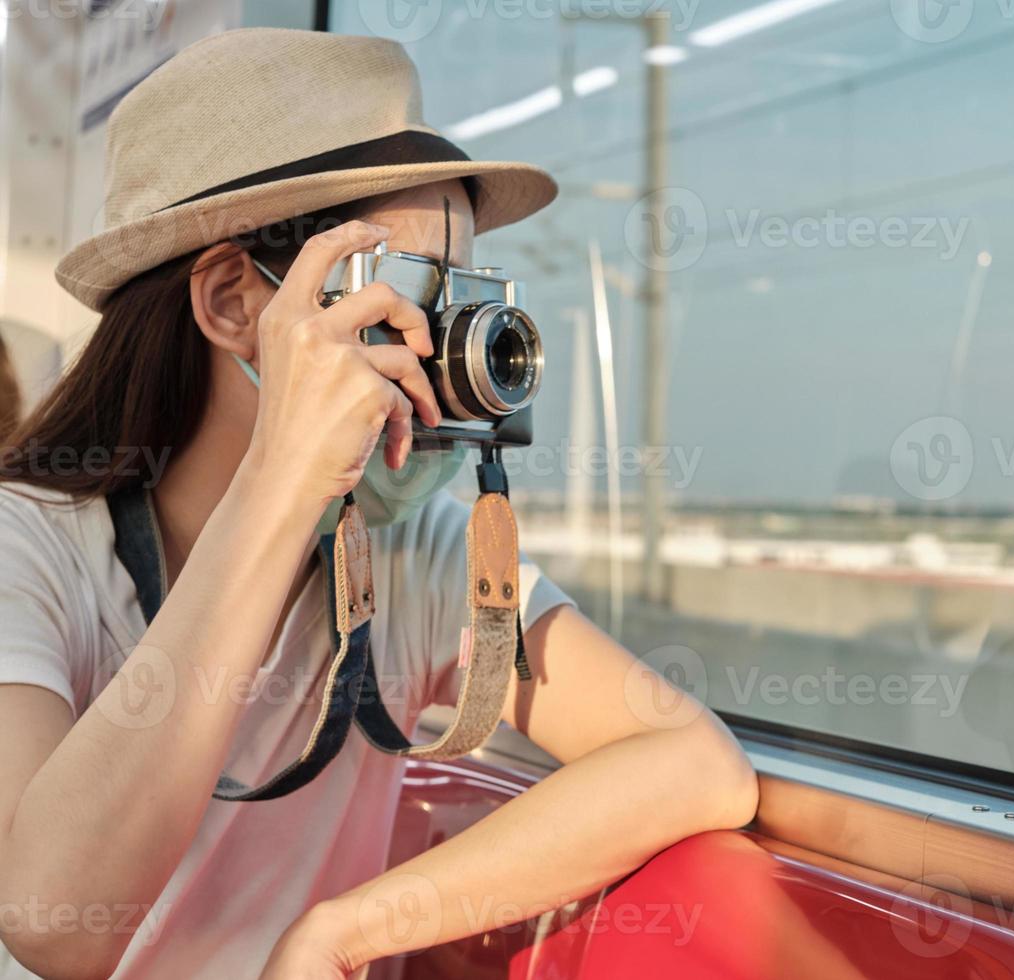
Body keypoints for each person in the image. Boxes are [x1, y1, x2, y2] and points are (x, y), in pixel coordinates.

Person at [0, 28, 756, 980]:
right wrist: (281, 480)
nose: (436, 351)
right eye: (399, 303)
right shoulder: (24, 545)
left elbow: (695, 760)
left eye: (456, 302)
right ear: (235, 303)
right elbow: (55, 925)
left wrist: (343, 932)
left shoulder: (410, 552)